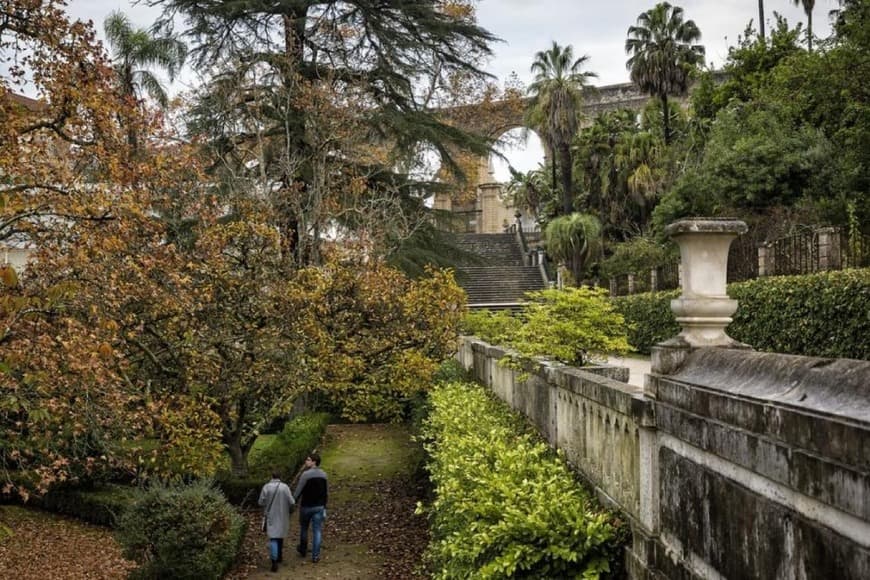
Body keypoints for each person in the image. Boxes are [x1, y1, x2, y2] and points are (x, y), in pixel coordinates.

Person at [294, 452, 328, 563]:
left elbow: (298, 490)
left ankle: (303, 549)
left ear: (314, 462)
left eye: (308, 460)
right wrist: (324, 505)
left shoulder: (306, 475)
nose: (306, 461)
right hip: (319, 506)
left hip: (306, 506)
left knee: (304, 528)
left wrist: (293, 501)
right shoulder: (324, 474)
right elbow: (326, 492)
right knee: (317, 531)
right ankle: (315, 556)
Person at [258, 469, 295, 572]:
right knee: (280, 535)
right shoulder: (285, 487)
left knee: (273, 537)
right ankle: (279, 556)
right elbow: (292, 501)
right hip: (283, 515)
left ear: (272, 476)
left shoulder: (266, 487)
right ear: (280, 476)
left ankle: (274, 561)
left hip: (271, 515)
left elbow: (261, 502)